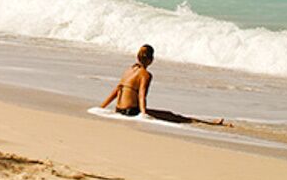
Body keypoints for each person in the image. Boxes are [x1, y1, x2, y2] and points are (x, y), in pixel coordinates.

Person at [95, 44, 229, 126]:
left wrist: (102, 107)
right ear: (151, 59)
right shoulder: (145, 75)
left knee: (168, 115)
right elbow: (142, 95)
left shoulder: (129, 70)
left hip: (119, 110)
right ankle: (211, 124)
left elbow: (117, 90)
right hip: (130, 112)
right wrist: (143, 114)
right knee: (172, 116)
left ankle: (209, 123)